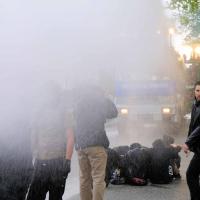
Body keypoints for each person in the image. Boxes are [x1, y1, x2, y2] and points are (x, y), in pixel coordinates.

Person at [27, 81, 74, 200]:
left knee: (53, 197)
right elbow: (34, 135)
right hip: (44, 162)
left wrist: (67, 160)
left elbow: (70, 137)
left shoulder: (63, 112)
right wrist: (33, 155)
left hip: (55, 162)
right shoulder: (39, 111)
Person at [73, 85, 118, 200]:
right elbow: (114, 113)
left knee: (84, 178)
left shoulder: (79, 102)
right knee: (98, 177)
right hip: (96, 144)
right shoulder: (100, 101)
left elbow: (75, 120)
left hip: (81, 145)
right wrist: (106, 98)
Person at [182, 81, 200, 200]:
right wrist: (188, 143)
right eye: (198, 90)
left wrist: (188, 143)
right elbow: (192, 127)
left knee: (191, 174)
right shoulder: (195, 105)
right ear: (194, 92)